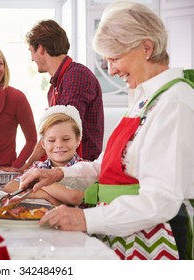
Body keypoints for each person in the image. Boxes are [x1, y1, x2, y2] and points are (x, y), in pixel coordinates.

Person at [20, 1, 194, 260]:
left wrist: (85, 217)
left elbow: (160, 200)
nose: (111, 70)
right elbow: (105, 166)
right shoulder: (144, 99)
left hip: (156, 237)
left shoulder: (175, 102)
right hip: (124, 232)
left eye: (115, 57)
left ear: (146, 47)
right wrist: (58, 173)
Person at [22, 19, 104, 170]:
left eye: (31, 51)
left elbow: (62, 127)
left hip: (80, 171)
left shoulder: (76, 76)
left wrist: (26, 167)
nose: (31, 58)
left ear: (40, 48)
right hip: (67, 170)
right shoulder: (56, 85)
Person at [3, 105, 83, 206]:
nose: (58, 145)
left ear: (77, 140)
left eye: (66, 139)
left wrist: (38, 181)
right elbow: (10, 187)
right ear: (43, 144)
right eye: (51, 140)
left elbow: (74, 197)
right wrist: (47, 196)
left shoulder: (84, 168)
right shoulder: (39, 166)